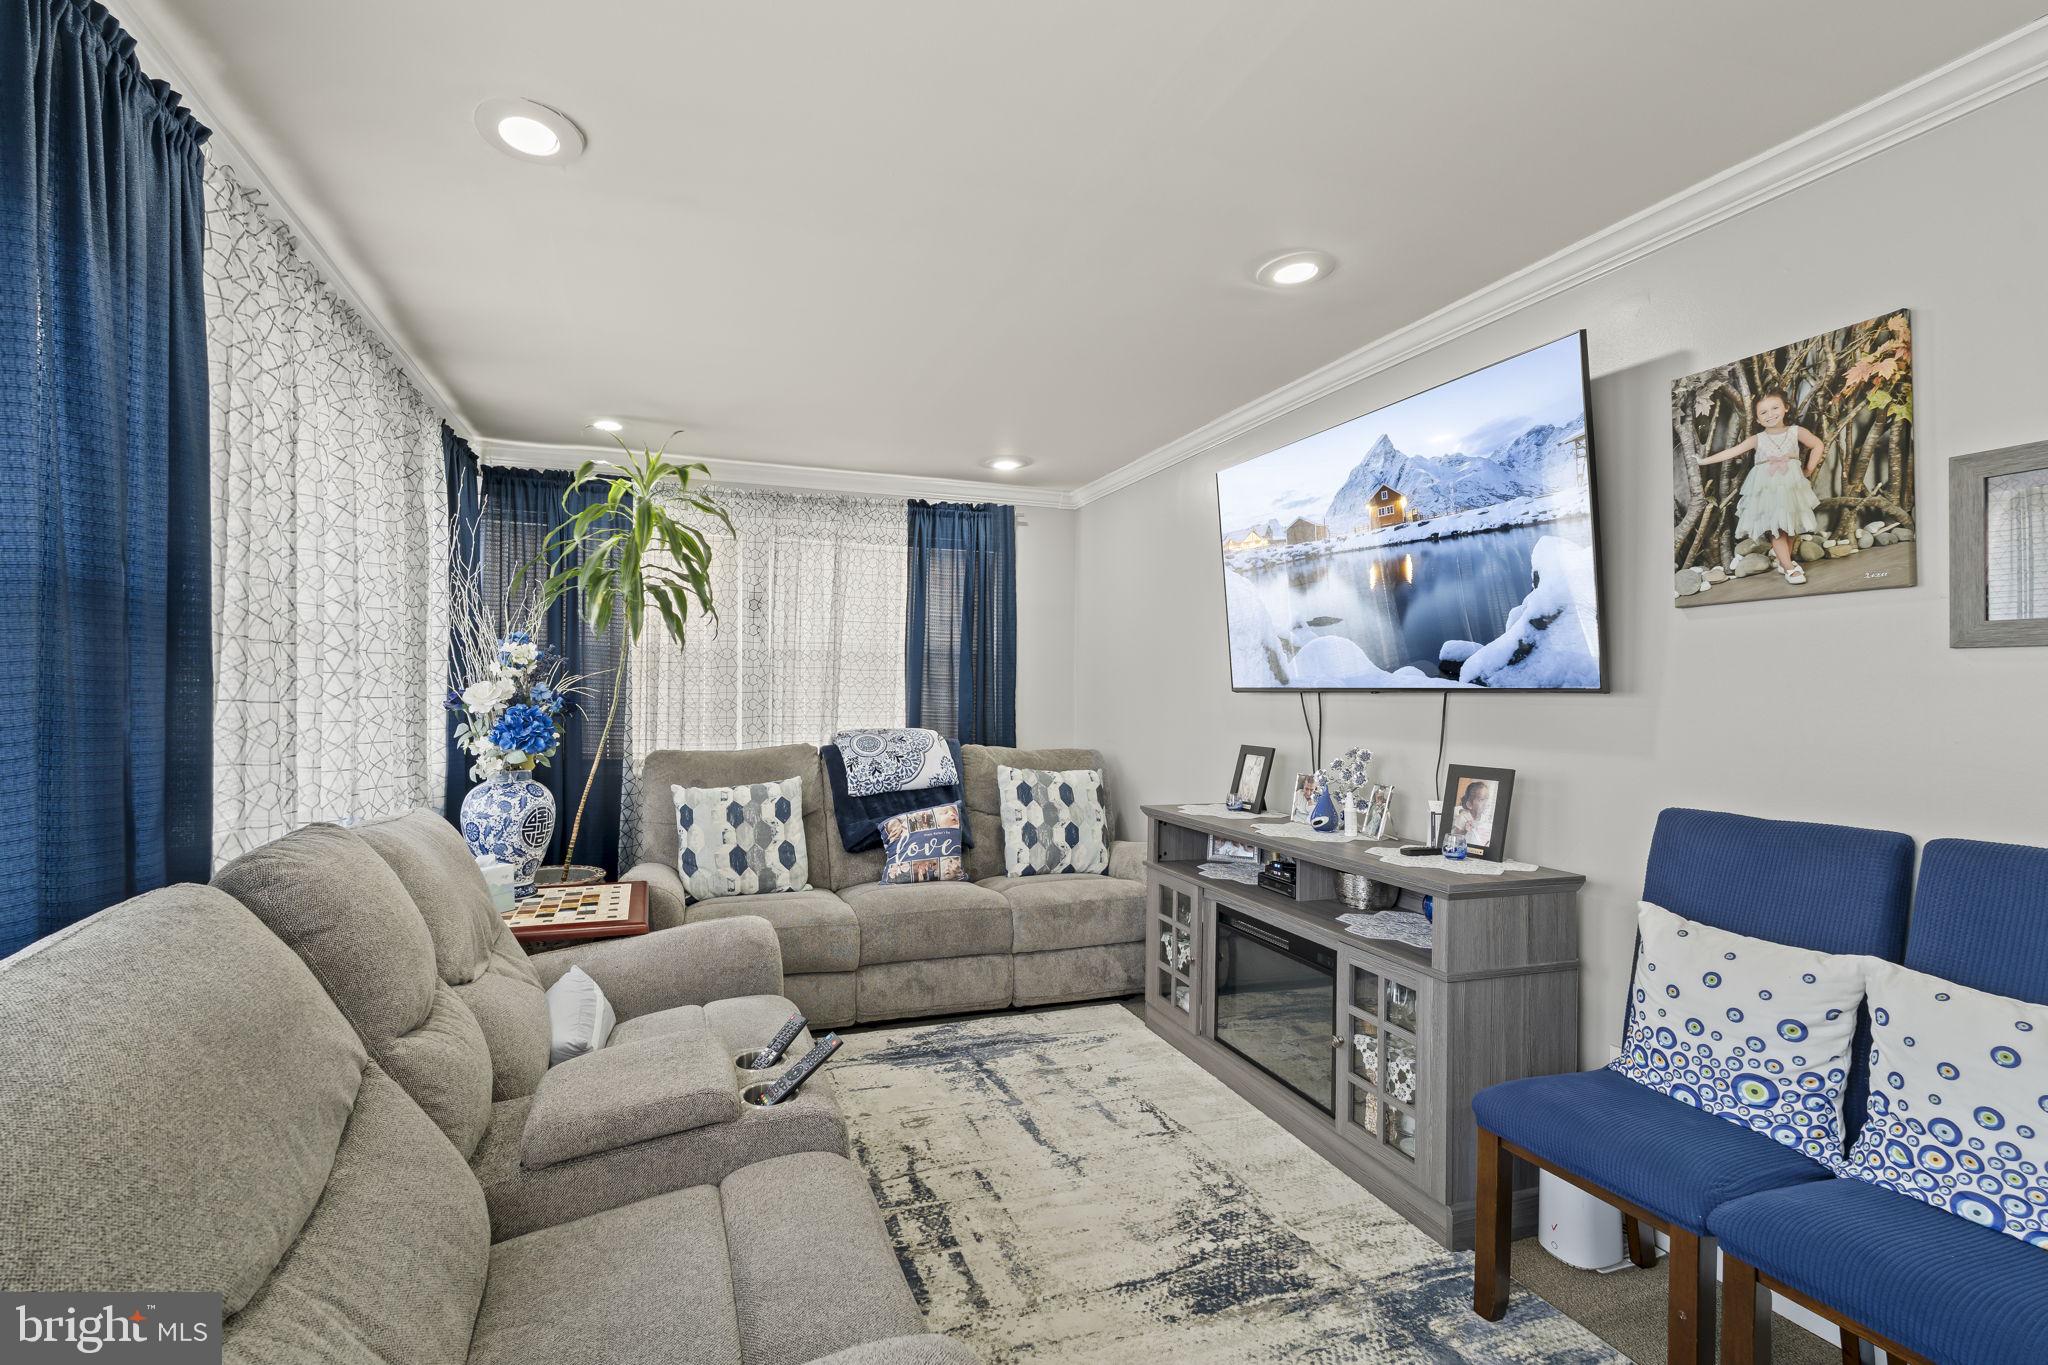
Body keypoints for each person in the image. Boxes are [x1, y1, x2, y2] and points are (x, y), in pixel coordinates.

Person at [1697, 390, 1825, 585]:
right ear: (1757, 419)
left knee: (1790, 526)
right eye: (1763, 412)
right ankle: (1790, 569)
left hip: (1791, 487)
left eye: (1775, 408)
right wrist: (1703, 461)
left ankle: (1784, 562)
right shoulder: (1758, 439)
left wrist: (1807, 469)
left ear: (1786, 408)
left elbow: (1817, 445)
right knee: (1776, 529)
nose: (1770, 414)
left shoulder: (1795, 432)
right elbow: (1732, 451)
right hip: (1766, 489)